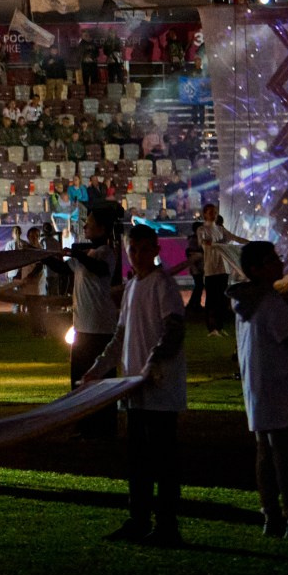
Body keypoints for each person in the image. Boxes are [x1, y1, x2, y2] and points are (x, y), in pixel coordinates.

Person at [85, 224, 187, 545]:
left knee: (164, 462)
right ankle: (138, 520)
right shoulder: (131, 287)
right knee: (138, 461)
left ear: (156, 250)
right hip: (134, 389)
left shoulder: (163, 285)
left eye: (144, 249)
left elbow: (174, 329)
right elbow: (119, 337)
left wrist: (153, 363)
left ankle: (167, 525)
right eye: (133, 249)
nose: (138, 255)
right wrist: (97, 369)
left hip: (160, 389)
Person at [229, 241, 288, 538]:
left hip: (256, 387)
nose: (279, 263)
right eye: (272, 260)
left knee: (265, 453)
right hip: (278, 386)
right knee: (286, 456)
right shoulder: (270, 302)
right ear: (256, 268)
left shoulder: (244, 302)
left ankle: (271, 516)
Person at [67, 203, 126, 440]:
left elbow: (100, 270)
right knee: (81, 379)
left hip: (99, 329)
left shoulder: (106, 253)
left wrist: (76, 253)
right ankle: (85, 425)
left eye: (88, 224)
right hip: (83, 328)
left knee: (100, 379)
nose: (84, 227)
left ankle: (104, 427)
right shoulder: (88, 255)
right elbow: (66, 268)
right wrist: (43, 256)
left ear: (101, 229)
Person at [196, 203, 239, 335]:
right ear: (205, 214)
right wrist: (219, 246)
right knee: (211, 299)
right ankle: (211, 327)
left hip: (223, 268)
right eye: (211, 212)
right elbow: (205, 243)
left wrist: (250, 242)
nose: (213, 215)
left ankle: (219, 326)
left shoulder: (220, 229)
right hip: (210, 268)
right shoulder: (202, 230)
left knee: (221, 299)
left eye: (215, 212)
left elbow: (234, 237)